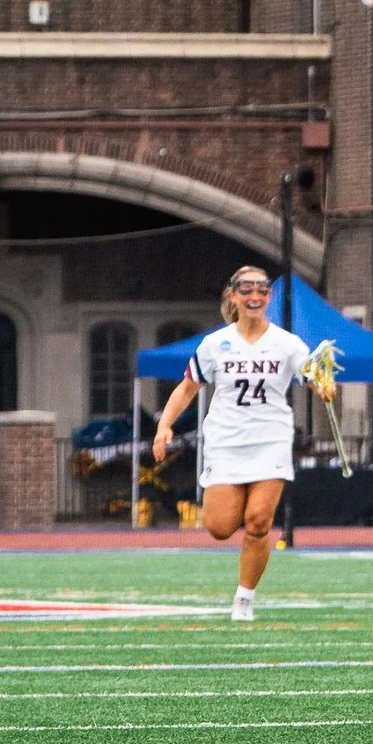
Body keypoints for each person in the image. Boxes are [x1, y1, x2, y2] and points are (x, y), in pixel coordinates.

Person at [148, 265, 326, 623]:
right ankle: (239, 569)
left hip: (271, 439)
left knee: (258, 522)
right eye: (246, 290)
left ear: (269, 297)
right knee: (220, 527)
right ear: (234, 296)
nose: (254, 296)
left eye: (261, 289)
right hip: (226, 441)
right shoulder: (215, 344)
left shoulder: (288, 344)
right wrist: (164, 425)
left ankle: (244, 599)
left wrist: (326, 385)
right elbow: (187, 388)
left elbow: (315, 379)